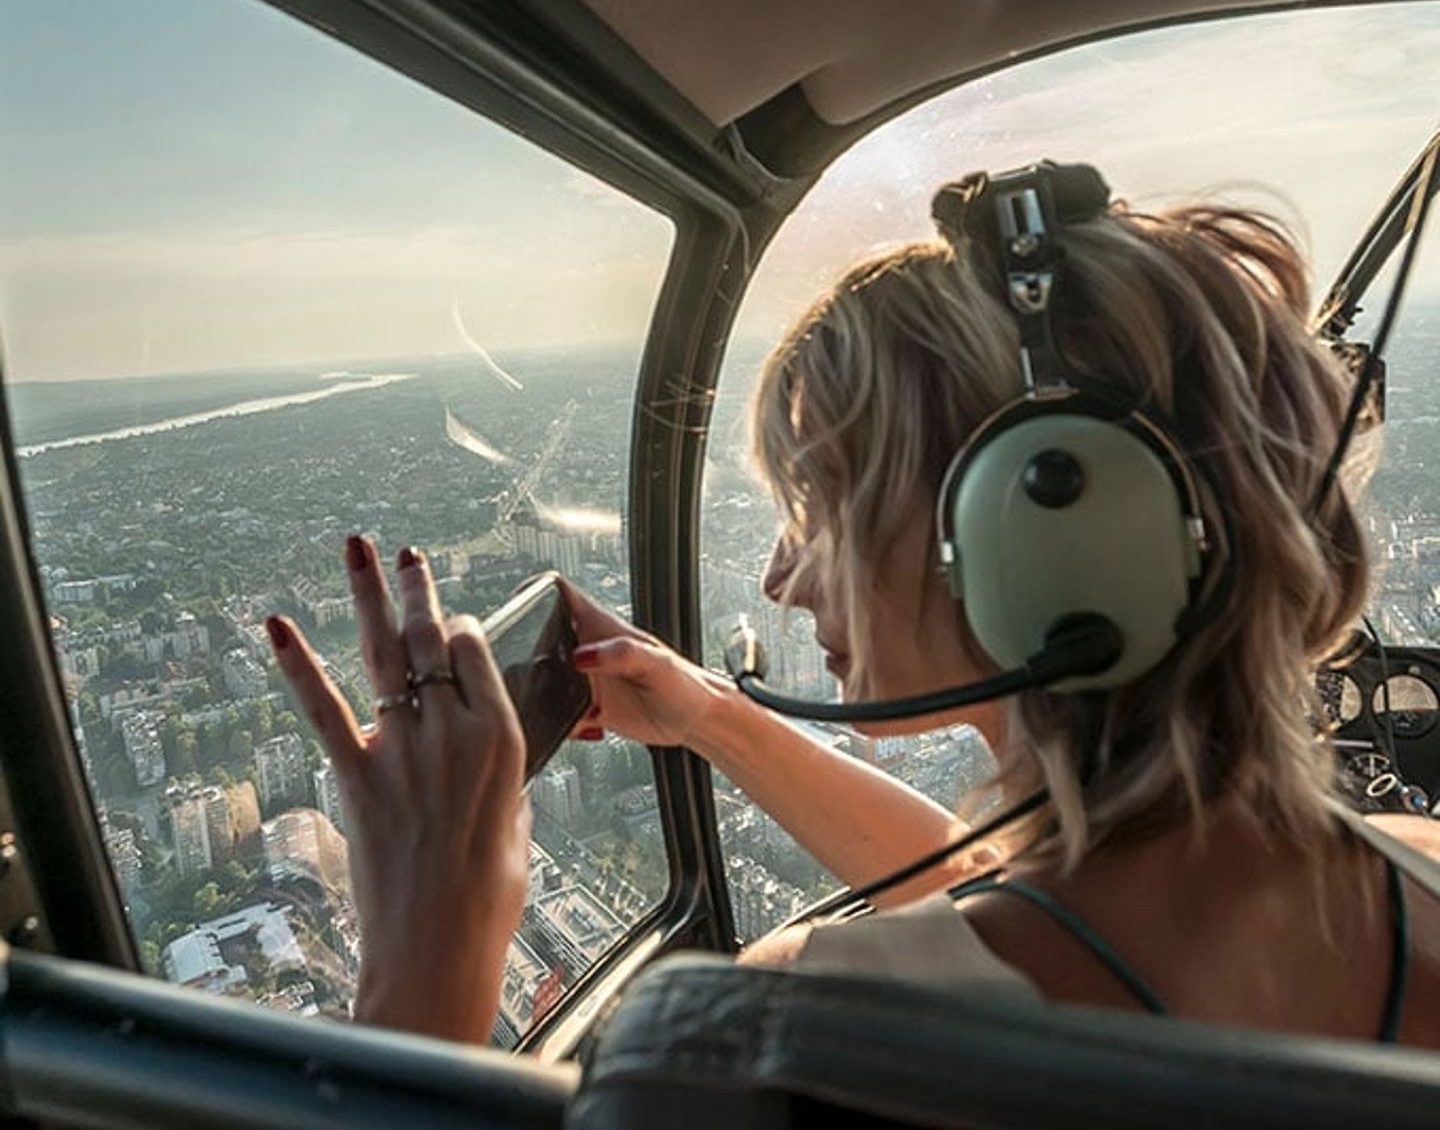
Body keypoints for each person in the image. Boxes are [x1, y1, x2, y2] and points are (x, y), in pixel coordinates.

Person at [266, 171, 1439, 1050]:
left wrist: (425, 940)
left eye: (818, 512)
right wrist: (719, 720)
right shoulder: (1413, 877)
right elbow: (1017, 904)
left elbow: (1007, 940)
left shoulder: (795, 1034)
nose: (781, 579)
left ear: (1033, 528)